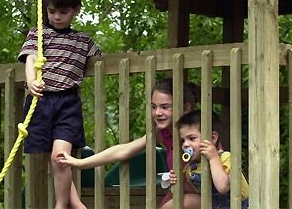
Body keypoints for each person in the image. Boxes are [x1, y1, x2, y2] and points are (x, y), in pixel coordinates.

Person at [57, 78, 201, 208]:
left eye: (165, 107)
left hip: (204, 196)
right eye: (153, 106)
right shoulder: (162, 133)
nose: (157, 113)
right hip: (179, 194)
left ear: (186, 108)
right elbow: (123, 150)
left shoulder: (199, 135)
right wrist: (80, 163)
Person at [18, 0, 101, 208]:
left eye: (63, 12)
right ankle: (77, 205)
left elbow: (102, 60)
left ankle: (61, 205)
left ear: (76, 10)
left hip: (67, 103)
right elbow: (30, 59)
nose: (56, 17)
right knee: (55, 160)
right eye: (52, 11)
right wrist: (31, 81)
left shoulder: (83, 41)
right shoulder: (38, 33)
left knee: (60, 157)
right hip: (42, 100)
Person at [163, 110, 249, 209]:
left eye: (191, 138)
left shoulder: (225, 158)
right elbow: (195, 192)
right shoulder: (191, 168)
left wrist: (213, 158)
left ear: (212, 138)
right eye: (183, 140)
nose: (185, 144)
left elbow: (223, 187)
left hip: (239, 205)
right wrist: (179, 181)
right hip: (213, 205)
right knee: (174, 204)